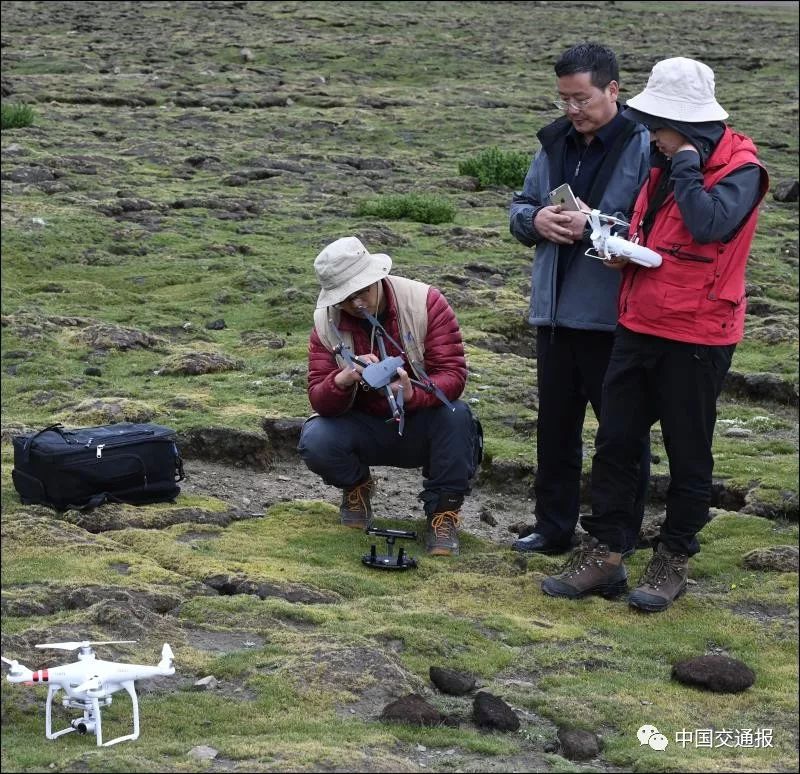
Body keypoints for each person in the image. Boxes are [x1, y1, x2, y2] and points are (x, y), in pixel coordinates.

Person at [542, 57, 769, 612]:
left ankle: (672, 559)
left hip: (699, 334)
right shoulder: (659, 166)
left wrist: (688, 166)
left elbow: (709, 225)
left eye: (661, 128)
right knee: (616, 441)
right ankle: (607, 554)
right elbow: (657, 234)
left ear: (687, 128)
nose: (652, 136)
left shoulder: (741, 170)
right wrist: (623, 250)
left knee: (688, 451)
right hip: (639, 323)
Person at [509, 42, 652, 556]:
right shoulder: (552, 145)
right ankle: (552, 529)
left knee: (621, 435)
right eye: (564, 99)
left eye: (582, 99)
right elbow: (521, 205)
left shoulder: (644, 146)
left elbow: (652, 227)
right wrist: (535, 220)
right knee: (555, 428)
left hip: (614, 318)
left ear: (613, 90)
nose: (572, 110)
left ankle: (619, 536)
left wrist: (596, 223)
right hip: (552, 315)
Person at [297, 236, 479, 556]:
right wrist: (342, 380)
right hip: (364, 424)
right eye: (345, 298)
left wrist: (413, 394)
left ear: (377, 278)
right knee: (317, 438)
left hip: (422, 421)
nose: (356, 304)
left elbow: (453, 374)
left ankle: (443, 514)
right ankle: (357, 486)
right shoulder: (325, 324)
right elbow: (319, 399)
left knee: (458, 417)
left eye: (362, 292)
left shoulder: (425, 302)